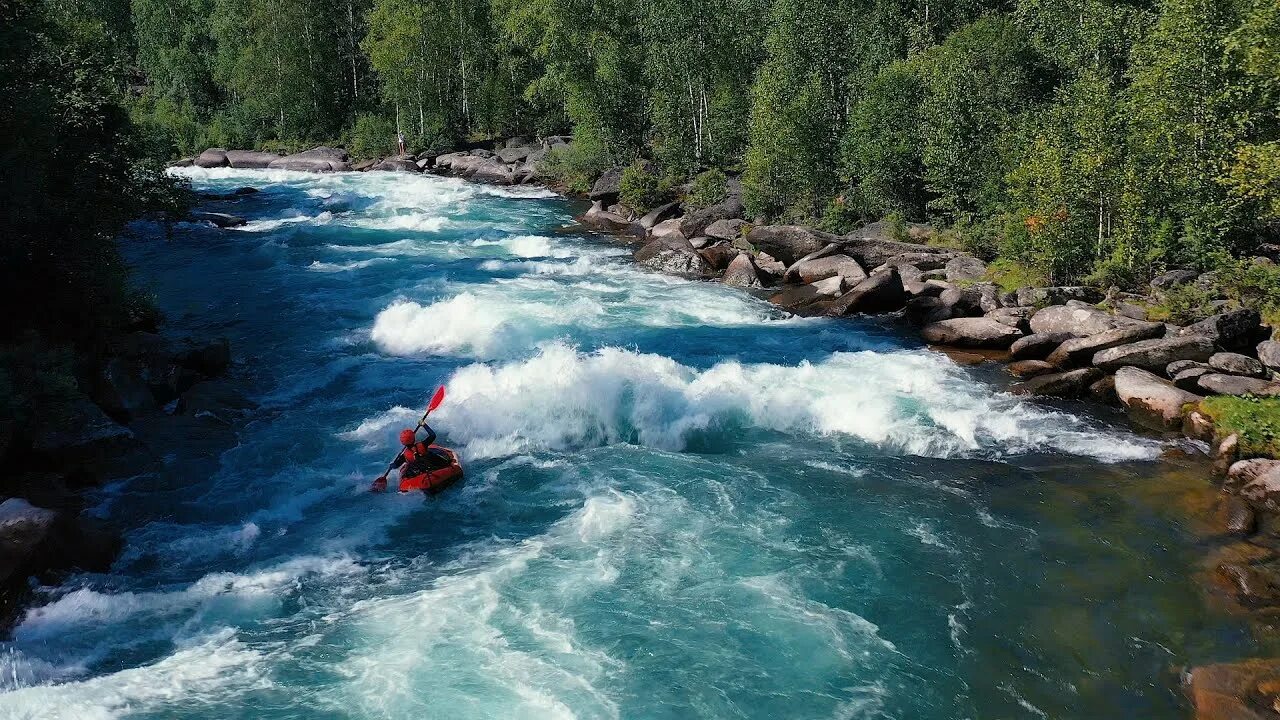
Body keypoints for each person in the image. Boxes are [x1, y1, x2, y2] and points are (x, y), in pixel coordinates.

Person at [373, 425, 446, 491]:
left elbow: (395, 465)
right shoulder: (423, 445)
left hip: (421, 473)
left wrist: (392, 465)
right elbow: (433, 435)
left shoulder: (404, 455)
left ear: (402, 442)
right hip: (433, 468)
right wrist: (424, 425)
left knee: (410, 468)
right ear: (414, 438)